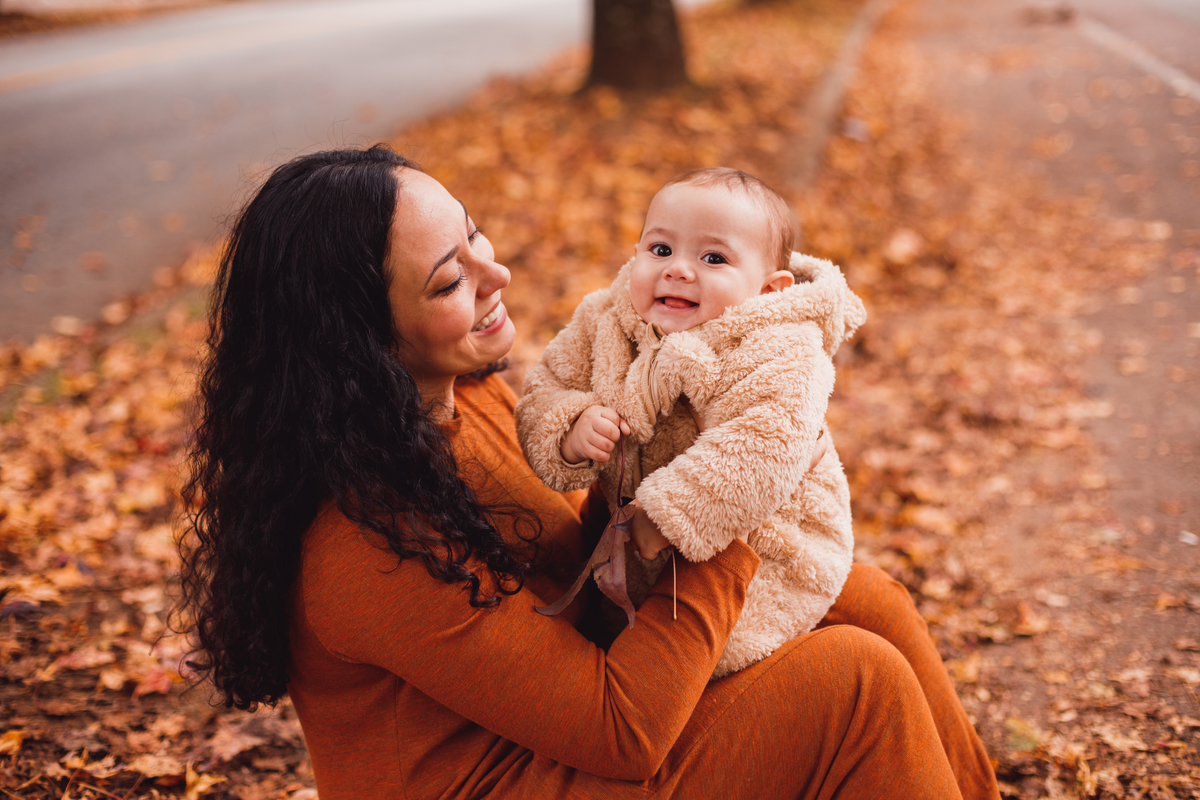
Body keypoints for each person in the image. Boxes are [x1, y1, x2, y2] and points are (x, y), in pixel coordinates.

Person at [179, 145, 1000, 800]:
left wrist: (718, 427)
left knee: (865, 598)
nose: (496, 275)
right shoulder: (369, 540)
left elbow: (574, 545)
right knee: (855, 681)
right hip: (523, 773)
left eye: (474, 237)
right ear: (359, 340)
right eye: (450, 280)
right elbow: (621, 732)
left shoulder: (463, 396)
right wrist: (736, 498)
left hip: (569, 713)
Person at [517, 168, 863, 678]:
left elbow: (762, 445)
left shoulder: (783, 348)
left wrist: (665, 516)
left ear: (768, 289)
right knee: (620, 644)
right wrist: (569, 428)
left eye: (713, 258)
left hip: (765, 554)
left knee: (710, 667)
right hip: (632, 558)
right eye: (661, 250)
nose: (678, 270)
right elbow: (546, 386)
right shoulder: (605, 319)